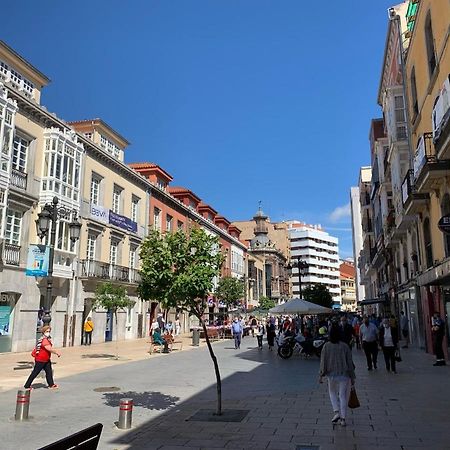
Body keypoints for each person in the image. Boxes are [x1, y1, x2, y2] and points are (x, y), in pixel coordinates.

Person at [319, 324, 355, 427]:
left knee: (332, 392)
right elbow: (349, 362)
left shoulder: (326, 346)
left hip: (331, 374)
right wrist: (353, 377)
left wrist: (321, 374)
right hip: (344, 373)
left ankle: (336, 412)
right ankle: (343, 419)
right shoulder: (345, 346)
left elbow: (323, 361)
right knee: (343, 395)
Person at [24, 325, 60, 390]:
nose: (48, 333)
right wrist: (56, 352)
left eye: (49, 331)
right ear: (43, 332)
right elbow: (49, 348)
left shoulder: (45, 339)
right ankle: (27, 385)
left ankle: (51, 384)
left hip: (46, 359)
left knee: (49, 372)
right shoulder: (44, 340)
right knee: (35, 372)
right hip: (41, 359)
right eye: (47, 331)